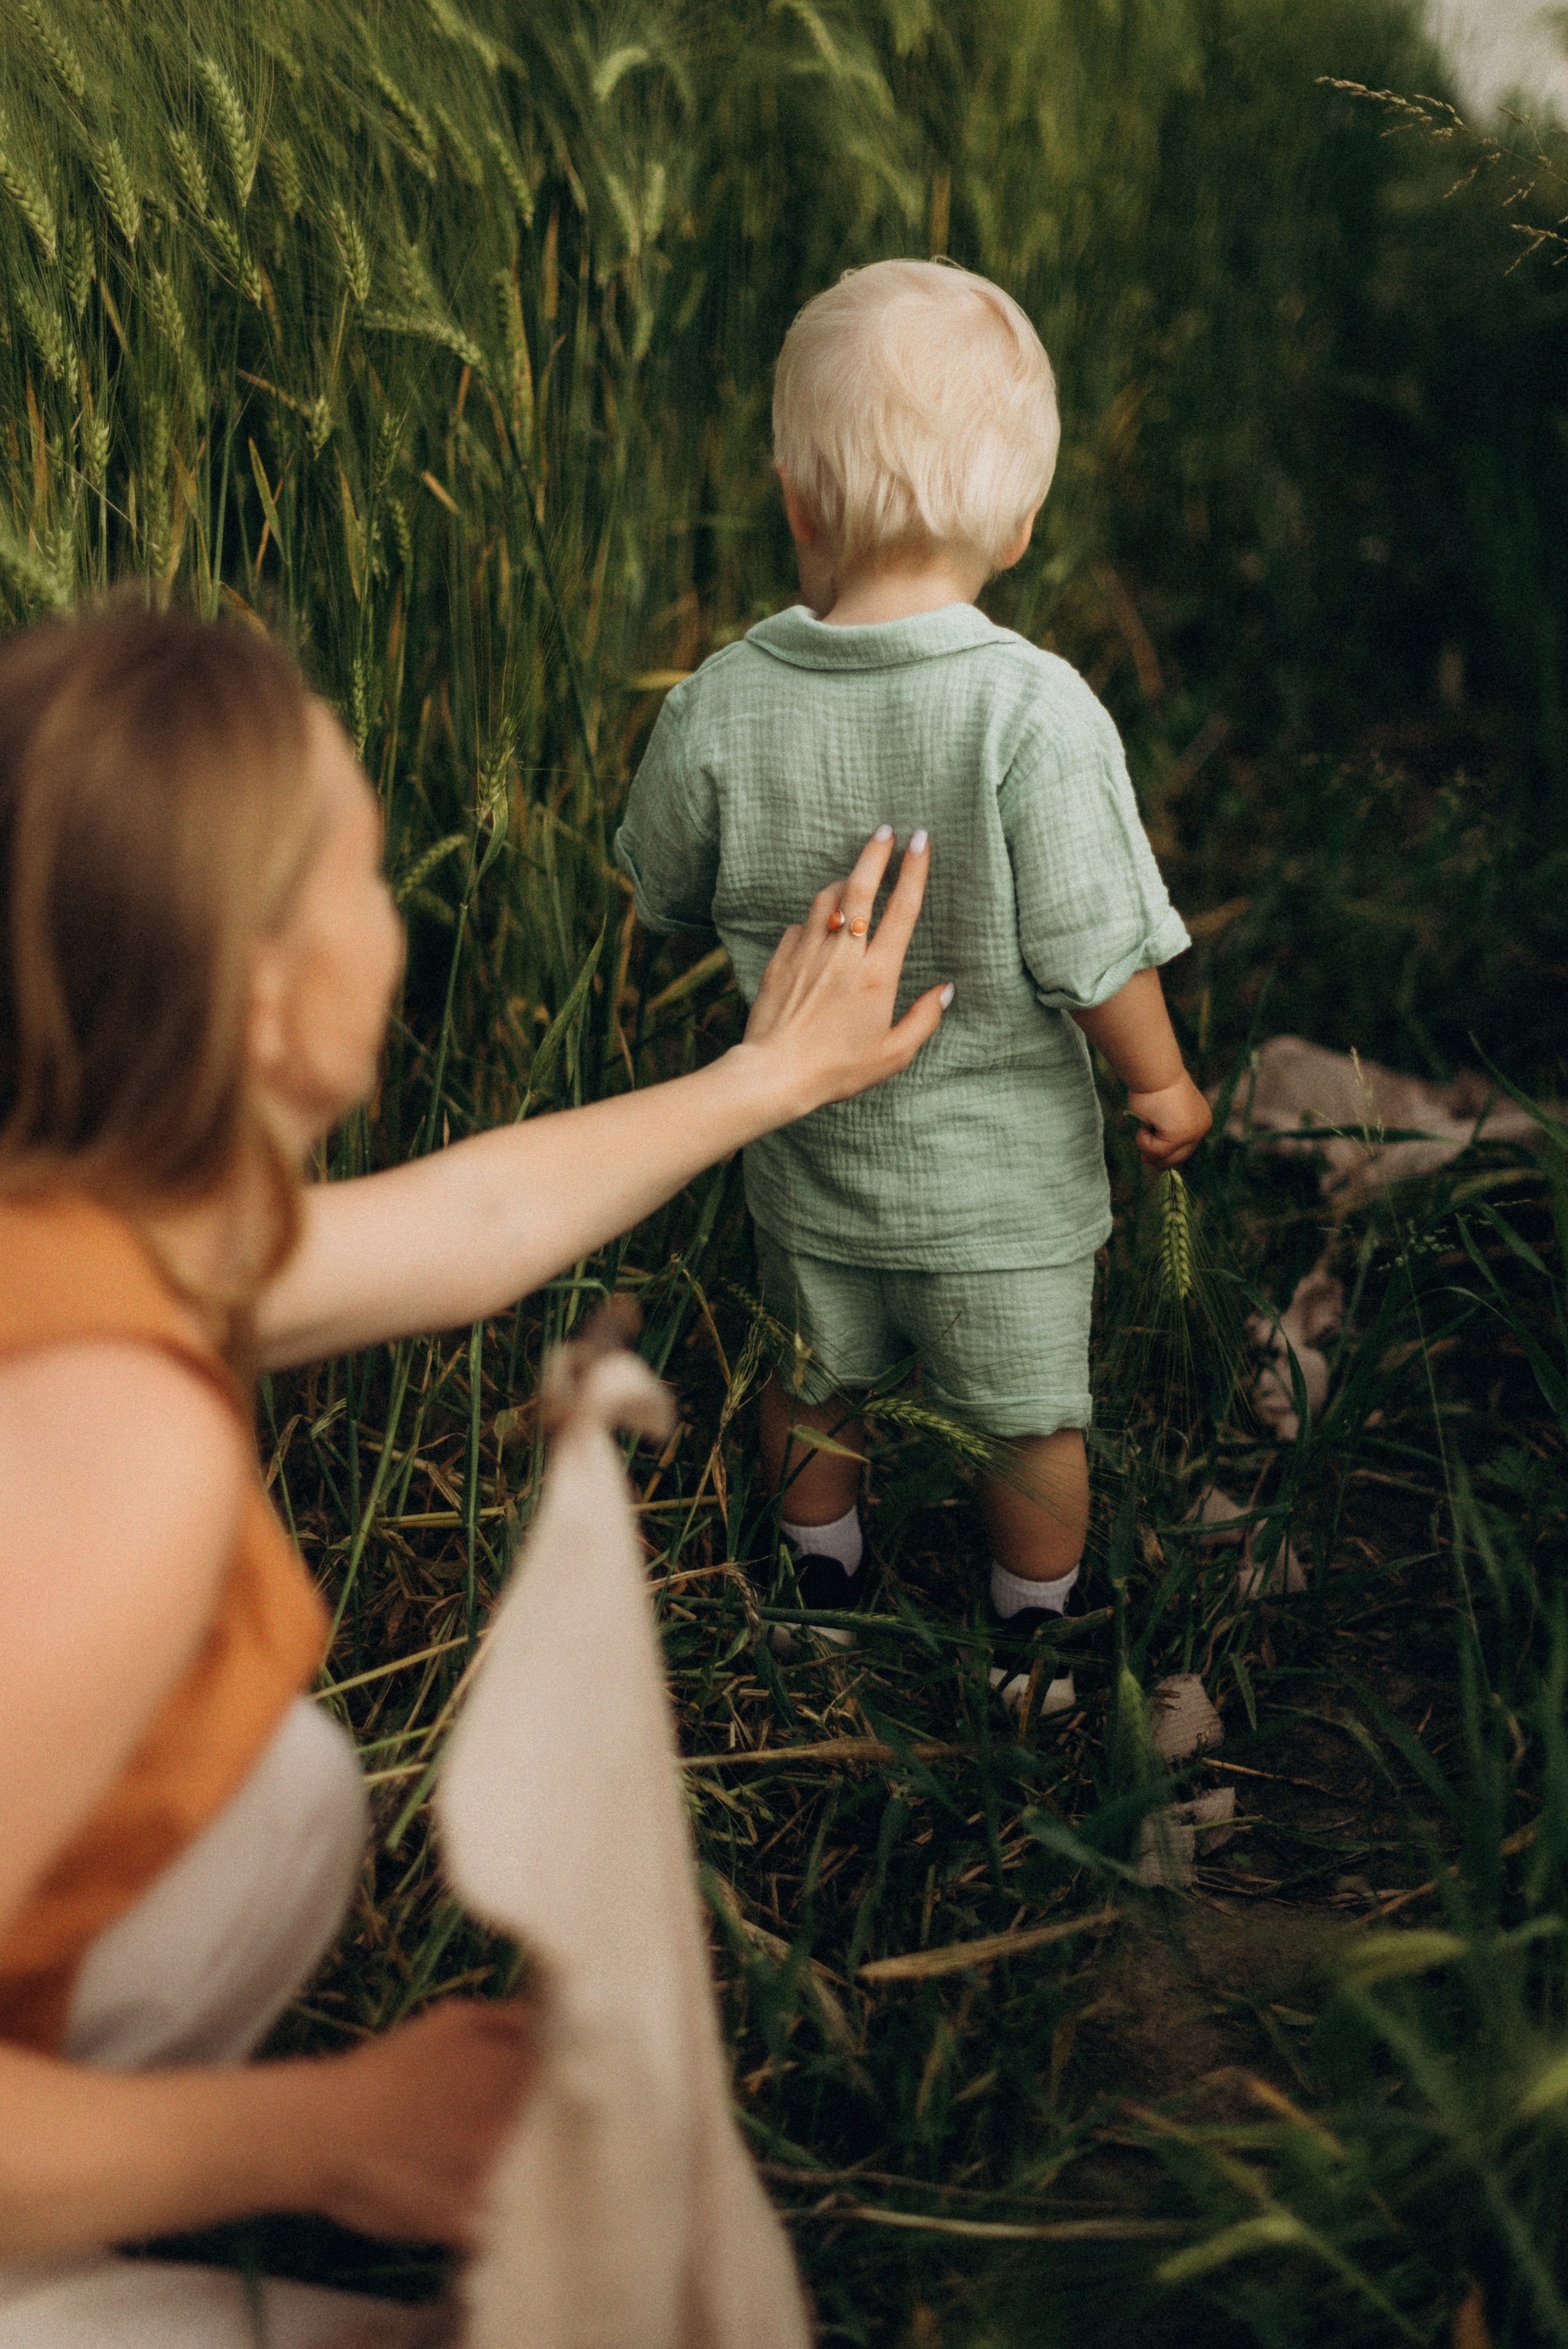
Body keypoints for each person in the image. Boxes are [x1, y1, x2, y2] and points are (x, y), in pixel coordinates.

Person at [0, 601, 944, 2314]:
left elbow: (469, 1221)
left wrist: (768, 1076)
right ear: (269, 989)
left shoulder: (80, 1228)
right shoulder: (113, 1437)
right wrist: (315, 2133)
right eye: (363, 872)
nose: (394, 916)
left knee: (273, 1794)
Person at [613, 258, 1212, 1713]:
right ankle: (1034, 1631)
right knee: (1027, 1423)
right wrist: (1160, 1080)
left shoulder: (715, 703)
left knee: (809, 1389)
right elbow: (1091, 951)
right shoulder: (1031, 708)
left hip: (810, 1169)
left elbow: (660, 883)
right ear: (1017, 520)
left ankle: (819, 1592)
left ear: (795, 500)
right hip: (1001, 1196)